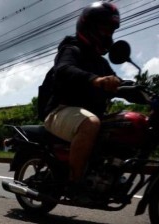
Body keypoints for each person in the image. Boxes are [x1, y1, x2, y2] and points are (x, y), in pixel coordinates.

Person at [43, 1, 121, 188]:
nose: (108, 36)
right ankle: (75, 180)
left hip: (86, 114)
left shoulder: (101, 63)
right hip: (59, 111)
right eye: (105, 29)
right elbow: (63, 69)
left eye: (111, 31)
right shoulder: (71, 49)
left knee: (126, 122)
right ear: (90, 27)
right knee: (91, 123)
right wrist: (95, 80)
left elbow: (118, 82)